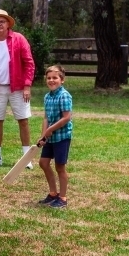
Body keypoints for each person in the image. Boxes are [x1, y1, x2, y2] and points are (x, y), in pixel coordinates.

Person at [0, 9, 35, 168]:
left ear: (8, 24)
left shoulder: (19, 39)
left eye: (2, 21)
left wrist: (27, 86)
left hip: (18, 87)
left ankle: (26, 159)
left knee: (23, 120)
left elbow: (29, 63)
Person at [37, 65, 73, 209]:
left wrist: (51, 130)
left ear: (62, 80)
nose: (51, 80)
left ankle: (62, 198)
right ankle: (53, 193)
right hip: (51, 137)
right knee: (43, 163)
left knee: (60, 167)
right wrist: (43, 135)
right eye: (49, 78)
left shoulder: (64, 95)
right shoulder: (47, 97)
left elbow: (66, 118)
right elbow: (46, 117)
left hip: (62, 137)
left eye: (55, 78)